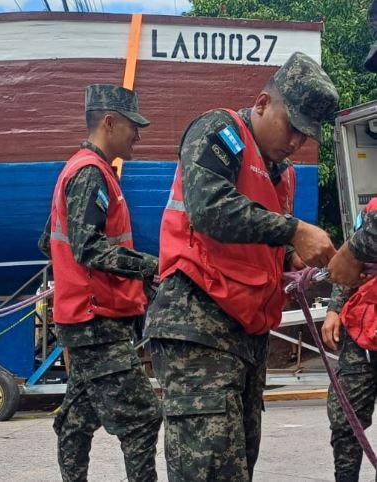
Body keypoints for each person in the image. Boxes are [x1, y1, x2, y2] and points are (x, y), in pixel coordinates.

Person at [145, 52, 339, 481]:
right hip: (198, 327)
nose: (295, 142)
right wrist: (293, 231)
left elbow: (261, 247)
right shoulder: (219, 132)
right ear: (264, 103)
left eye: (305, 136)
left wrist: (295, 259)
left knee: (236, 467)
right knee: (209, 469)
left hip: (244, 339)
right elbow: (209, 208)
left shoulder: (281, 175)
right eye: (292, 126)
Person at [39, 84, 162, 482]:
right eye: (133, 126)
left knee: (77, 418)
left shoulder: (79, 170)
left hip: (86, 315)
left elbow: (49, 240)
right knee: (143, 417)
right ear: (110, 122)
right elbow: (88, 248)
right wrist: (149, 267)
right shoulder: (90, 174)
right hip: (96, 322)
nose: (138, 135)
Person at [323, 198, 377, 482]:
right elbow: (349, 258)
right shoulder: (370, 212)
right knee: (345, 419)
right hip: (361, 329)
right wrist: (334, 309)